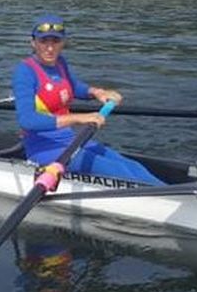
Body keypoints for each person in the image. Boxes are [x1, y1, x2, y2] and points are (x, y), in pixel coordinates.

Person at [12, 15, 164, 184]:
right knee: (117, 170)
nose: (49, 48)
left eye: (55, 42)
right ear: (33, 43)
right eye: (43, 41)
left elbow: (74, 87)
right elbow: (27, 120)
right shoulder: (25, 72)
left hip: (69, 139)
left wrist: (98, 92)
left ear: (63, 43)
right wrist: (80, 118)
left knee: (131, 165)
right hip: (43, 147)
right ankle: (172, 200)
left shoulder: (59, 63)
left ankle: (176, 194)